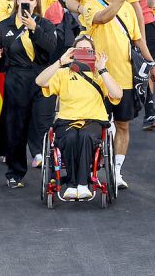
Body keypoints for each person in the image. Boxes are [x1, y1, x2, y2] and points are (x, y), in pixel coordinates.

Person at [79, 0, 155, 188]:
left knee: (123, 125)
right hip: (98, 79)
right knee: (95, 126)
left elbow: (137, 39)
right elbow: (103, 18)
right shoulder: (91, 6)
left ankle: (116, 171)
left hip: (124, 77)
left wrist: (151, 63)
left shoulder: (127, 9)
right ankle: (92, 168)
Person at [0, 0, 58, 189]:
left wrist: (35, 29)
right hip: (16, 79)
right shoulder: (3, 26)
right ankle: (15, 172)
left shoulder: (45, 24)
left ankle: (50, 171)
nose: (27, 2)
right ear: (17, 0)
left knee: (44, 126)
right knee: (16, 127)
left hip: (42, 79)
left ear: (37, 3)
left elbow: (52, 49)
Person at [35, 35, 123, 200]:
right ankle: (72, 184)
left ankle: (81, 184)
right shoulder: (62, 74)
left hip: (93, 120)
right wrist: (60, 61)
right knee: (69, 137)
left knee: (85, 135)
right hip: (66, 120)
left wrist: (102, 69)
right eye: (79, 50)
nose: (83, 53)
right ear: (73, 53)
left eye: (88, 50)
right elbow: (40, 81)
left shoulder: (100, 76)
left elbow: (117, 94)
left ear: (94, 53)